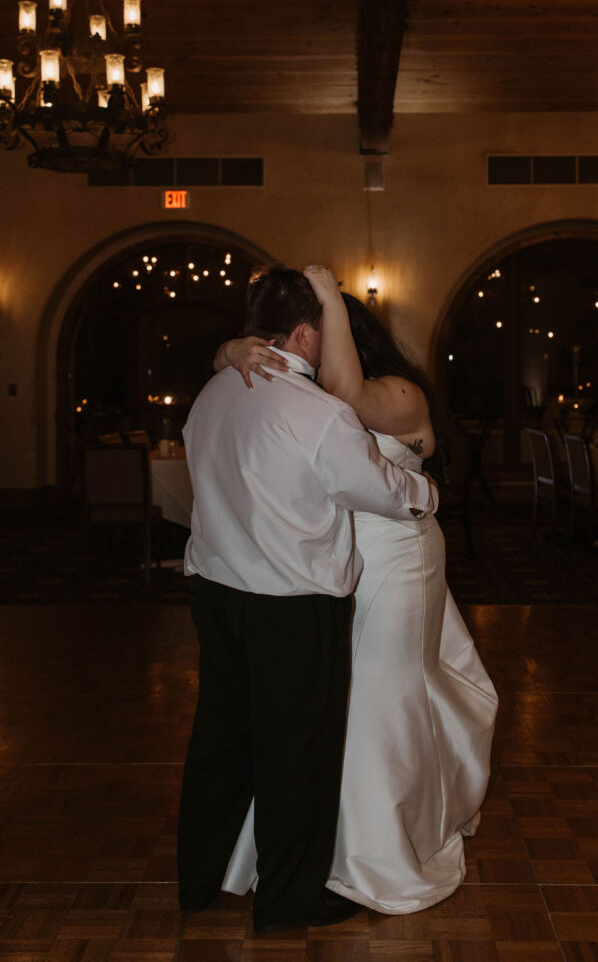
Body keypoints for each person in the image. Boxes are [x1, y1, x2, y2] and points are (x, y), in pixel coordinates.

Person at [213, 265, 498, 915]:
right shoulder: (306, 390)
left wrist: (329, 301)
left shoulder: (400, 395)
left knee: (380, 694)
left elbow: (345, 391)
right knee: (330, 699)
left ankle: (375, 848)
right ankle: (323, 841)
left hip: (396, 557)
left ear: (343, 333)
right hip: (328, 560)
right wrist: (229, 351)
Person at [177, 265, 438, 933]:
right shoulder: (317, 413)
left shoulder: (211, 394)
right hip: (289, 606)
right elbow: (378, 493)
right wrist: (426, 494)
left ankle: (197, 881)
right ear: (303, 333)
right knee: (298, 753)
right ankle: (288, 901)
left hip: (213, 592)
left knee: (220, 743)